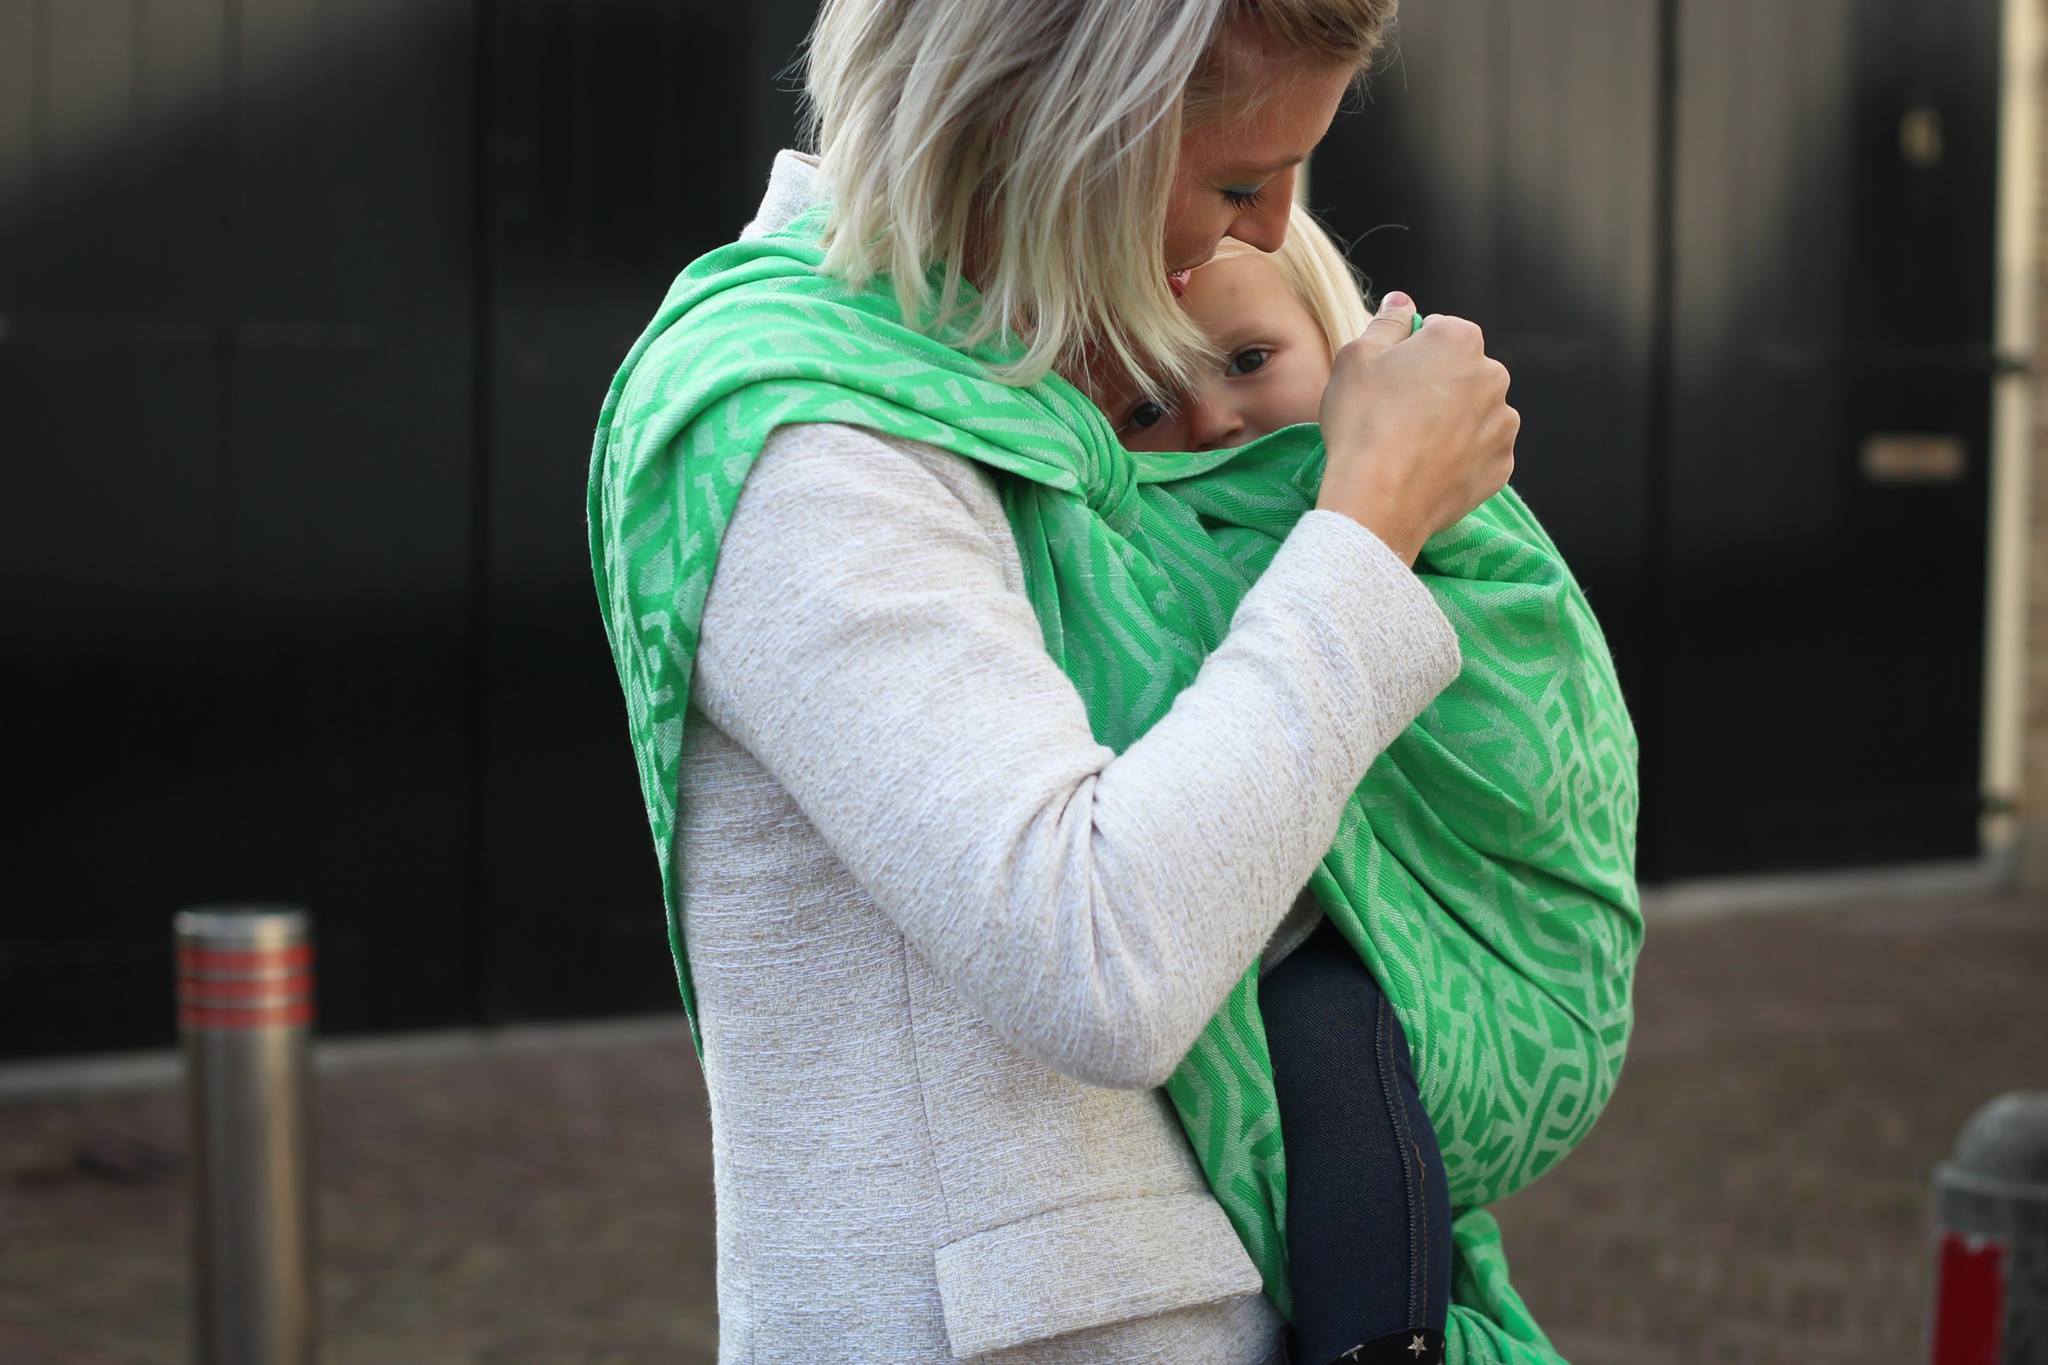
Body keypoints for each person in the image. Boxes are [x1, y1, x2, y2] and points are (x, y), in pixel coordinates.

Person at [588, 1, 1540, 1360]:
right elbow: (1098, 957)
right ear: (1064, 126)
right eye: (1237, 181)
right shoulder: (811, 440)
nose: (1274, 228)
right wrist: (1368, 524)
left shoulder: (1022, 383)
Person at [1079, 203, 1644, 1364]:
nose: (1209, 416)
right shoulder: (1121, 541)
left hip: (1471, 921)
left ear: (1342, 352)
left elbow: (1525, 648)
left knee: (1324, 1016)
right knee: (1317, 1015)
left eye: (1247, 359)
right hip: (1307, 913)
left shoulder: (1420, 483)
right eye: (1143, 409)